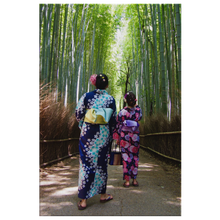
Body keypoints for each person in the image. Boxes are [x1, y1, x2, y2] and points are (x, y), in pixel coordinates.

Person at [75, 73, 117, 210]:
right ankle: (103, 195)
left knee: (86, 164)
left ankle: (83, 200)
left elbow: (78, 114)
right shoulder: (110, 99)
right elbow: (113, 121)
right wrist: (111, 136)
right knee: (101, 164)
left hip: (88, 134)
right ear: (107, 85)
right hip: (103, 135)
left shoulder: (86, 96)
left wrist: (83, 123)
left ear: (94, 83)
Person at [113, 91, 142, 187]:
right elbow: (140, 118)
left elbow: (118, 125)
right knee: (135, 157)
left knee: (126, 158)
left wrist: (117, 138)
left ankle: (127, 181)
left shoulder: (122, 112)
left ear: (125, 101)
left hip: (124, 137)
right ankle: (134, 180)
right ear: (135, 100)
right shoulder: (138, 110)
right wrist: (135, 106)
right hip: (135, 137)